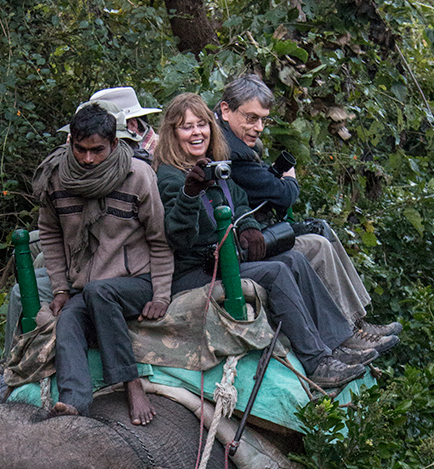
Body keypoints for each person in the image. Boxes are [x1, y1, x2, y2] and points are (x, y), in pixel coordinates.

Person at [154, 93, 376, 390]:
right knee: (276, 271)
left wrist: (248, 227)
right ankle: (316, 362)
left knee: (294, 258)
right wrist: (190, 193)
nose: (197, 132)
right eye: (186, 127)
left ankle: (338, 342)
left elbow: (241, 202)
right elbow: (179, 237)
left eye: (201, 125)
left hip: (229, 259)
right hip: (196, 270)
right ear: (172, 134)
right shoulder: (170, 177)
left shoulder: (215, 166)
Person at [216, 74, 402, 352]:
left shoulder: (236, 140)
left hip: (254, 228)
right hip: (243, 241)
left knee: (320, 229)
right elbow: (283, 193)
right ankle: (350, 329)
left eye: (263, 119)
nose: (259, 127)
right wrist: (288, 179)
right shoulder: (229, 149)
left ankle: (359, 321)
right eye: (251, 118)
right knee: (317, 245)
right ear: (225, 109)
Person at [35, 101, 174, 424]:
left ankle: (132, 382)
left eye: (97, 150)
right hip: (89, 285)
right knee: (69, 317)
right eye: (80, 150)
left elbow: (159, 238)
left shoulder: (138, 176)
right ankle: (73, 400)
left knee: (100, 292)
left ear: (114, 144)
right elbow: (50, 233)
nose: (87, 159)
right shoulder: (56, 178)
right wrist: (59, 288)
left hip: (135, 281)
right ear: (70, 143)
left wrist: (161, 294)